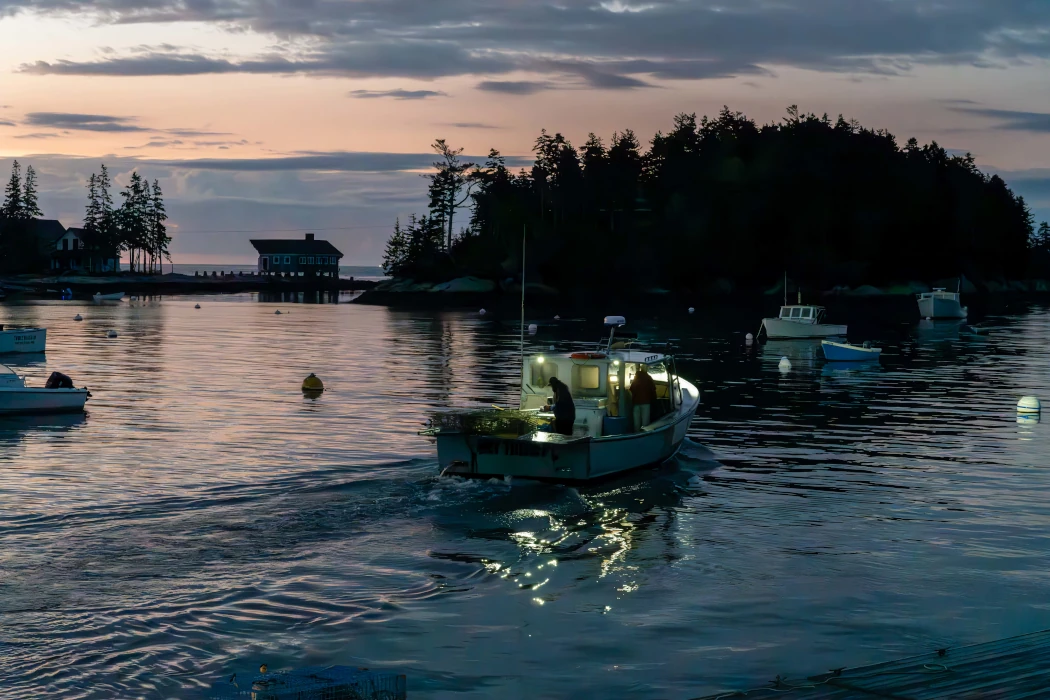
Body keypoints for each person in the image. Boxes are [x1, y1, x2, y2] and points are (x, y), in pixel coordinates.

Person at [630, 364, 656, 431]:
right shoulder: (648, 378)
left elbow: (631, 388)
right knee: (645, 423)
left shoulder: (636, 378)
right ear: (646, 369)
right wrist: (654, 400)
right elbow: (653, 389)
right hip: (645, 403)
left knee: (636, 423)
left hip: (636, 403)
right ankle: (644, 435)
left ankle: (636, 435)